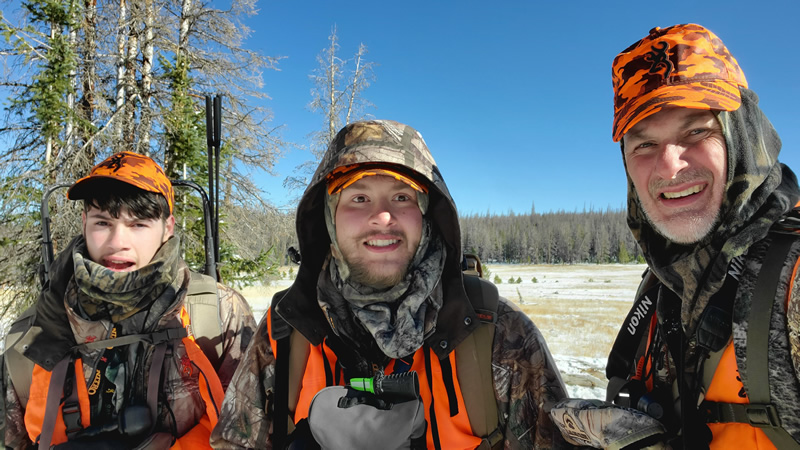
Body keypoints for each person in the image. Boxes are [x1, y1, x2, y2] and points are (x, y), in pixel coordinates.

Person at [210, 120, 569, 449]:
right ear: (330, 220)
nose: (382, 217)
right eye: (358, 198)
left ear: (427, 215)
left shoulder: (501, 336)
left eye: (402, 197)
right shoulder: (284, 332)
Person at [550, 24, 800, 449]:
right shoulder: (664, 282)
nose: (669, 167)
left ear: (741, 133)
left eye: (696, 131)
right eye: (644, 145)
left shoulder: (792, 277)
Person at [2, 151, 256, 448]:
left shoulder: (220, 315)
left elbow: (250, 434)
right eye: (102, 223)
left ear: (168, 228)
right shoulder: (34, 333)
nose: (117, 242)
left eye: (138, 224)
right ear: (84, 223)